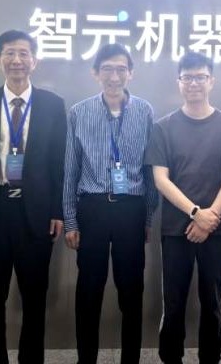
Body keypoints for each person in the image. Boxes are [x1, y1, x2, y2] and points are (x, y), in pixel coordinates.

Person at [0, 30, 66, 364]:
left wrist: (58, 210)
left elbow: (58, 164)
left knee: (34, 297)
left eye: (23, 53)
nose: (16, 60)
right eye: (9, 53)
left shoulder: (52, 105)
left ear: (35, 60)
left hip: (35, 212)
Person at [144, 52, 221, 364]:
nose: (194, 83)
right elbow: (160, 179)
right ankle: (171, 357)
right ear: (179, 82)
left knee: (212, 302)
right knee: (173, 303)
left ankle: (210, 358)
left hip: (217, 230)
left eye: (200, 77)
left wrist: (210, 217)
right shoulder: (163, 127)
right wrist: (195, 214)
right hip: (176, 230)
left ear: (211, 81)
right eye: (187, 77)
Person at [63, 43, 158, 364]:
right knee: (88, 291)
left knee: (131, 291)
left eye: (120, 69)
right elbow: (70, 170)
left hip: (131, 209)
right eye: (107, 69)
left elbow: (150, 169)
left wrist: (148, 217)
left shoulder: (144, 111)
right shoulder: (79, 112)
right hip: (93, 207)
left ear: (131, 73)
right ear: (95, 73)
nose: (114, 76)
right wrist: (71, 220)